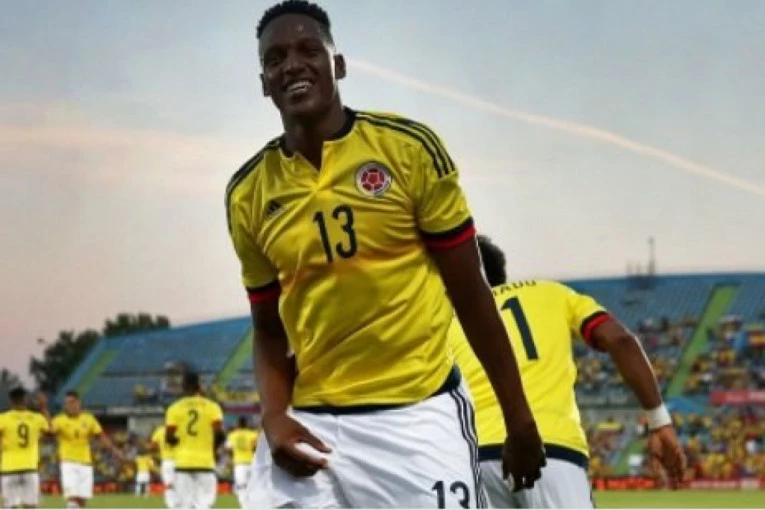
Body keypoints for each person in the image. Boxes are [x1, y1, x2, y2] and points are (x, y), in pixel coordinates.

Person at [226, 1, 544, 507]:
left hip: (416, 416)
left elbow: (470, 291)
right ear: (264, 82)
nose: (292, 65)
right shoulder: (247, 194)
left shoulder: (408, 149)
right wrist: (275, 415)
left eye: (309, 50)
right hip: (312, 421)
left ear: (338, 64)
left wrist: (519, 418)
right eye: (275, 59)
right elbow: (267, 330)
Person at [449, 235, 687, 508]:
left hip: (476, 461)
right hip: (551, 451)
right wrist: (659, 422)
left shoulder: (449, 325)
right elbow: (620, 340)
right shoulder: (553, 293)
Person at [51, 391, 122, 509]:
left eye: (72, 402)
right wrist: (44, 409)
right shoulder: (59, 420)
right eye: (66, 403)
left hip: (86, 464)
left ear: (78, 403)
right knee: (72, 499)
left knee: (82, 502)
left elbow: (101, 436)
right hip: (68, 463)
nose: (69, 406)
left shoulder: (89, 419)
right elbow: (49, 431)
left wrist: (114, 450)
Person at [165, 372, 224, 510]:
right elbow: (220, 434)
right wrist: (213, 450)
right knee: (204, 505)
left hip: (183, 462)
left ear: (183, 387)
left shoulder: (175, 408)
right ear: (199, 386)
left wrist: (181, 442)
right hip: (206, 462)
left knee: (183, 505)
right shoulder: (212, 407)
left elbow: (169, 437)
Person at [0, 388, 50, 509]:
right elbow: (51, 430)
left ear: (11, 401)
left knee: (10, 506)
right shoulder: (37, 418)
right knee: (30, 506)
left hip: (9, 468)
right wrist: (43, 408)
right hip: (30, 467)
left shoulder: (3, 418)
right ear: (25, 400)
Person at [224, 416, 259, 507]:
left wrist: (231, 458)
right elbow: (257, 448)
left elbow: (227, 449)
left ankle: (244, 506)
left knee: (241, 487)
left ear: (238, 424)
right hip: (253, 463)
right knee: (253, 487)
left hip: (239, 464)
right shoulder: (253, 434)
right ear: (247, 424)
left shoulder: (232, 435)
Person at [150, 424, 178, 508]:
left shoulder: (160, 431)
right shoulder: (179, 429)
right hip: (180, 460)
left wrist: (161, 449)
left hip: (167, 461)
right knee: (181, 483)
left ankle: (171, 505)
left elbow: (153, 446)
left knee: (169, 484)